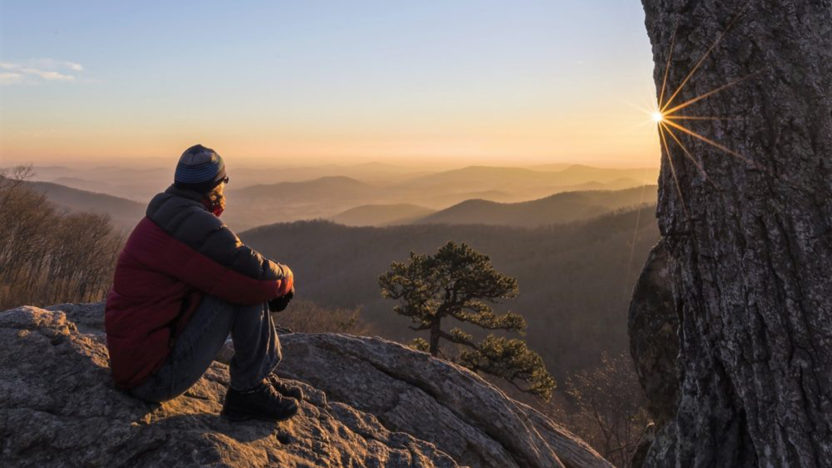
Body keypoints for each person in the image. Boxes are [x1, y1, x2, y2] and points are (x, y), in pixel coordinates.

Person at [105, 144, 300, 422]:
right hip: (152, 378)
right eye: (223, 182)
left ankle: (259, 376)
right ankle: (249, 390)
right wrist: (286, 279)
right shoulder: (191, 223)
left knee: (237, 281)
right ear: (214, 186)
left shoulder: (168, 215)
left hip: (136, 366)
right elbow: (251, 273)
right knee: (243, 287)